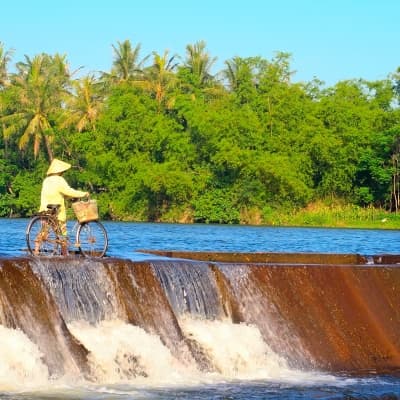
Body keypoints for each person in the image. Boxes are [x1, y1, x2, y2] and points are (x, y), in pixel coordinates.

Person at [39, 158, 89, 244]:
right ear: (60, 171)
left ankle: (35, 251)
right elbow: (69, 191)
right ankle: (65, 254)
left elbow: (56, 193)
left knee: (44, 232)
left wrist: (68, 197)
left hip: (44, 209)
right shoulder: (59, 180)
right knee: (63, 234)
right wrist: (83, 194)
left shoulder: (46, 180)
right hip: (56, 210)